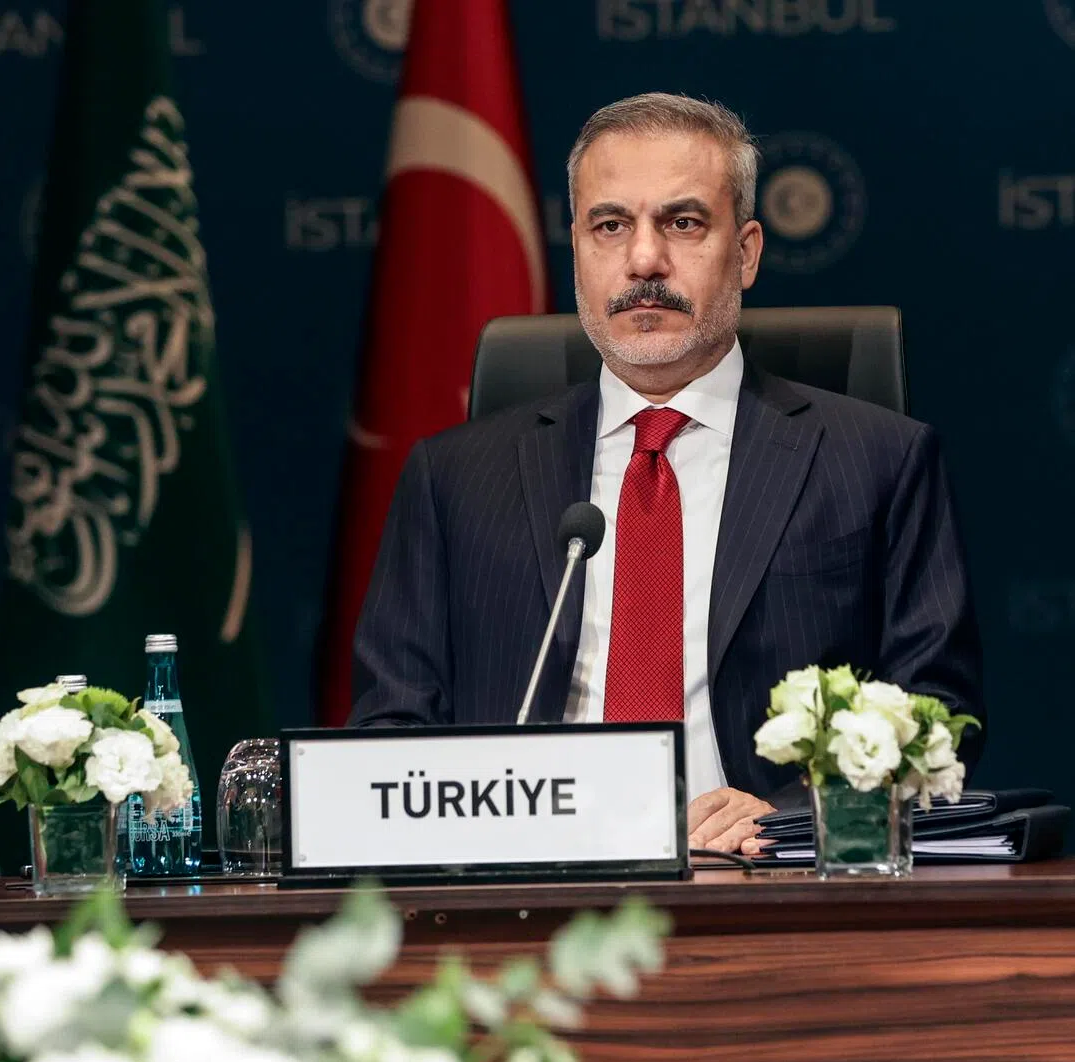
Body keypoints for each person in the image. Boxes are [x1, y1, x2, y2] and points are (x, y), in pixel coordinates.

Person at [347, 93, 984, 855]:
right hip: (528, 892)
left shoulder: (878, 461)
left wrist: (790, 817)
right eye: (610, 226)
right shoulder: (455, 478)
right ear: (577, 248)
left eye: (682, 223)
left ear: (745, 251)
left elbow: (935, 712)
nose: (644, 260)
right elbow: (392, 729)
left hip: (765, 888)